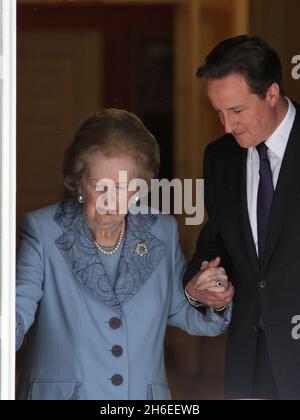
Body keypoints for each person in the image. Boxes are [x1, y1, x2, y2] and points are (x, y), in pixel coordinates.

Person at [16, 108, 233, 400]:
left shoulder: (161, 232)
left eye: (122, 187)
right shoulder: (43, 232)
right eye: (99, 185)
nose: (110, 200)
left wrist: (204, 297)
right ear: (79, 182)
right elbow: (16, 309)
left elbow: (183, 311)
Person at [184, 34, 300, 400]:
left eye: (236, 110)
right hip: (248, 366)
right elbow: (214, 243)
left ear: (272, 93)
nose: (226, 126)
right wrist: (200, 286)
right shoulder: (220, 157)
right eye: (218, 112)